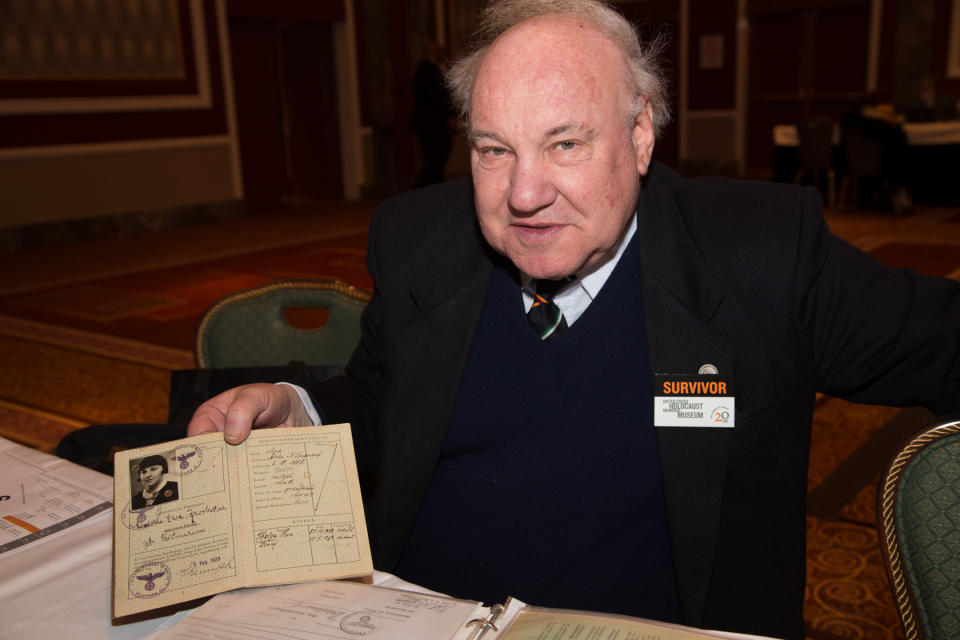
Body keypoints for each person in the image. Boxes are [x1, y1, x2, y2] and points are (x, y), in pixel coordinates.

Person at [188, 1, 960, 638]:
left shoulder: (760, 255)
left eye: (564, 143)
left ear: (640, 135)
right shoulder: (418, 243)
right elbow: (384, 401)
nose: (524, 194)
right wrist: (305, 406)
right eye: (495, 150)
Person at [412, 40, 456, 187]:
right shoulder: (426, 71)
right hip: (432, 125)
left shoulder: (433, 69)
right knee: (435, 160)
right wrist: (450, 114)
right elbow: (438, 97)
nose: (441, 52)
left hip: (434, 123)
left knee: (437, 159)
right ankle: (424, 190)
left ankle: (430, 188)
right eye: (438, 50)